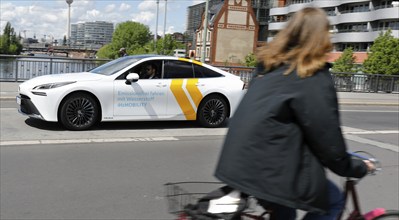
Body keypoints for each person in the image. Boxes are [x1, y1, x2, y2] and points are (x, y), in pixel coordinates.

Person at [214, 7, 375, 220]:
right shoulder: (311, 76)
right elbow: (327, 138)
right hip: (270, 171)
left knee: (285, 210)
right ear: (321, 39)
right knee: (332, 200)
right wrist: (354, 167)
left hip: (239, 161)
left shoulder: (269, 66)